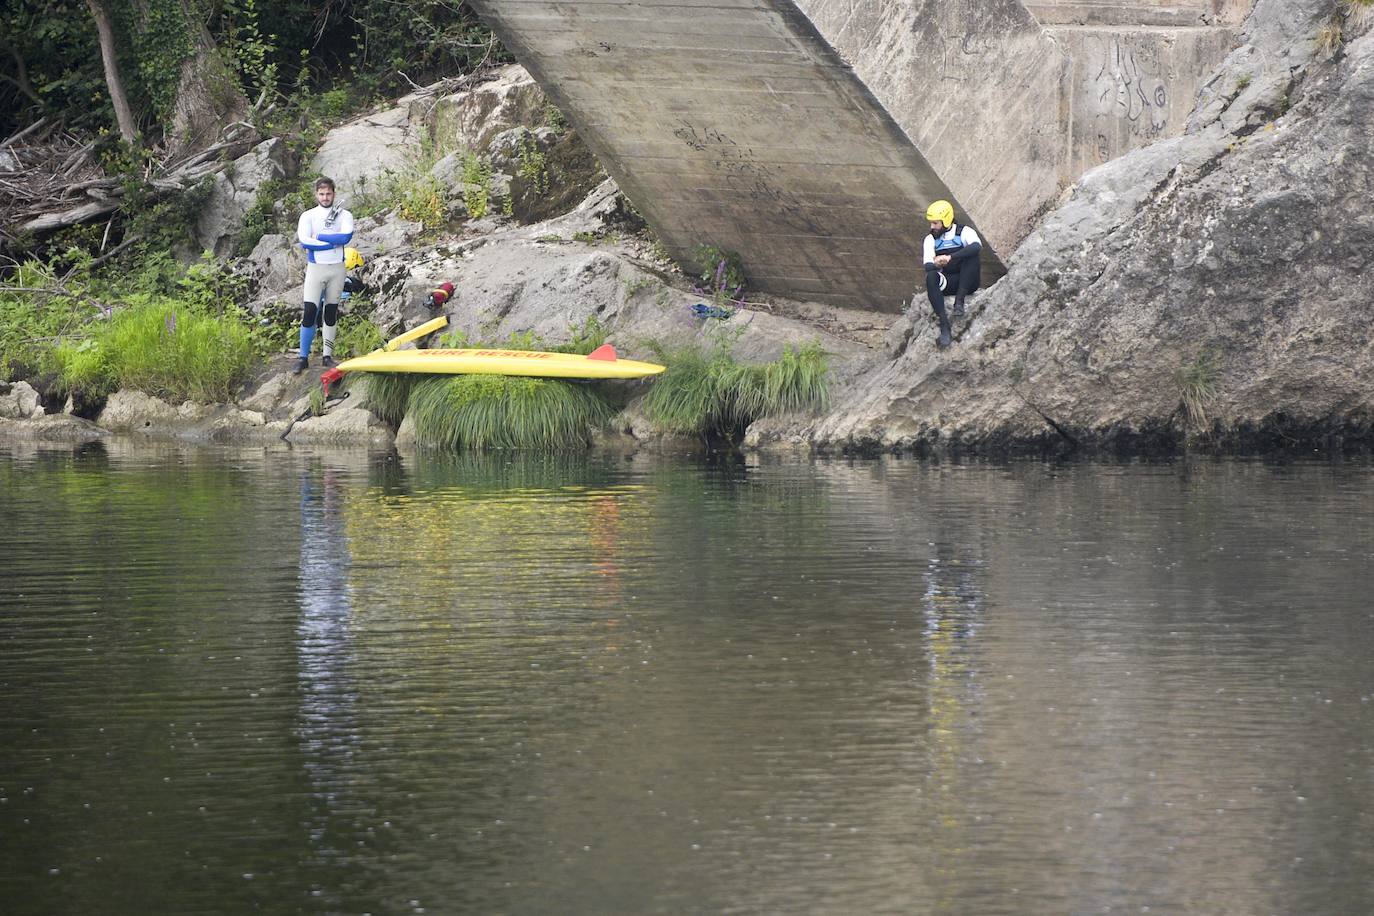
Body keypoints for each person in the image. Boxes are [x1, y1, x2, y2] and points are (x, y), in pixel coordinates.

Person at [294, 177, 355, 374]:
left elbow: (345, 237)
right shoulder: (308, 216)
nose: (325, 197)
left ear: (334, 194)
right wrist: (333, 242)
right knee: (310, 311)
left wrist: (319, 237)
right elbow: (305, 242)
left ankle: (327, 356)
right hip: (316, 269)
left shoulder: (344, 215)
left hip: (337, 269)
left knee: (330, 312)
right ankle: (303, 358)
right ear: (316, 195)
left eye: (328, 193)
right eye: (321, 194)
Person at [921, 199, 982, 349]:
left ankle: (959, 302)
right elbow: (928, 265)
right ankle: (944, 324)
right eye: (931, 223)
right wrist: (936, 263)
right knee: (931, 277)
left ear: (946, 220)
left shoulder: (964, 232)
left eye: (935, 223)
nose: (932, 227)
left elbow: (976, 246)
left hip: (968, 282)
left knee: (971, 256)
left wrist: (951, 257)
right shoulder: (930, 239)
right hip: (949, 281)